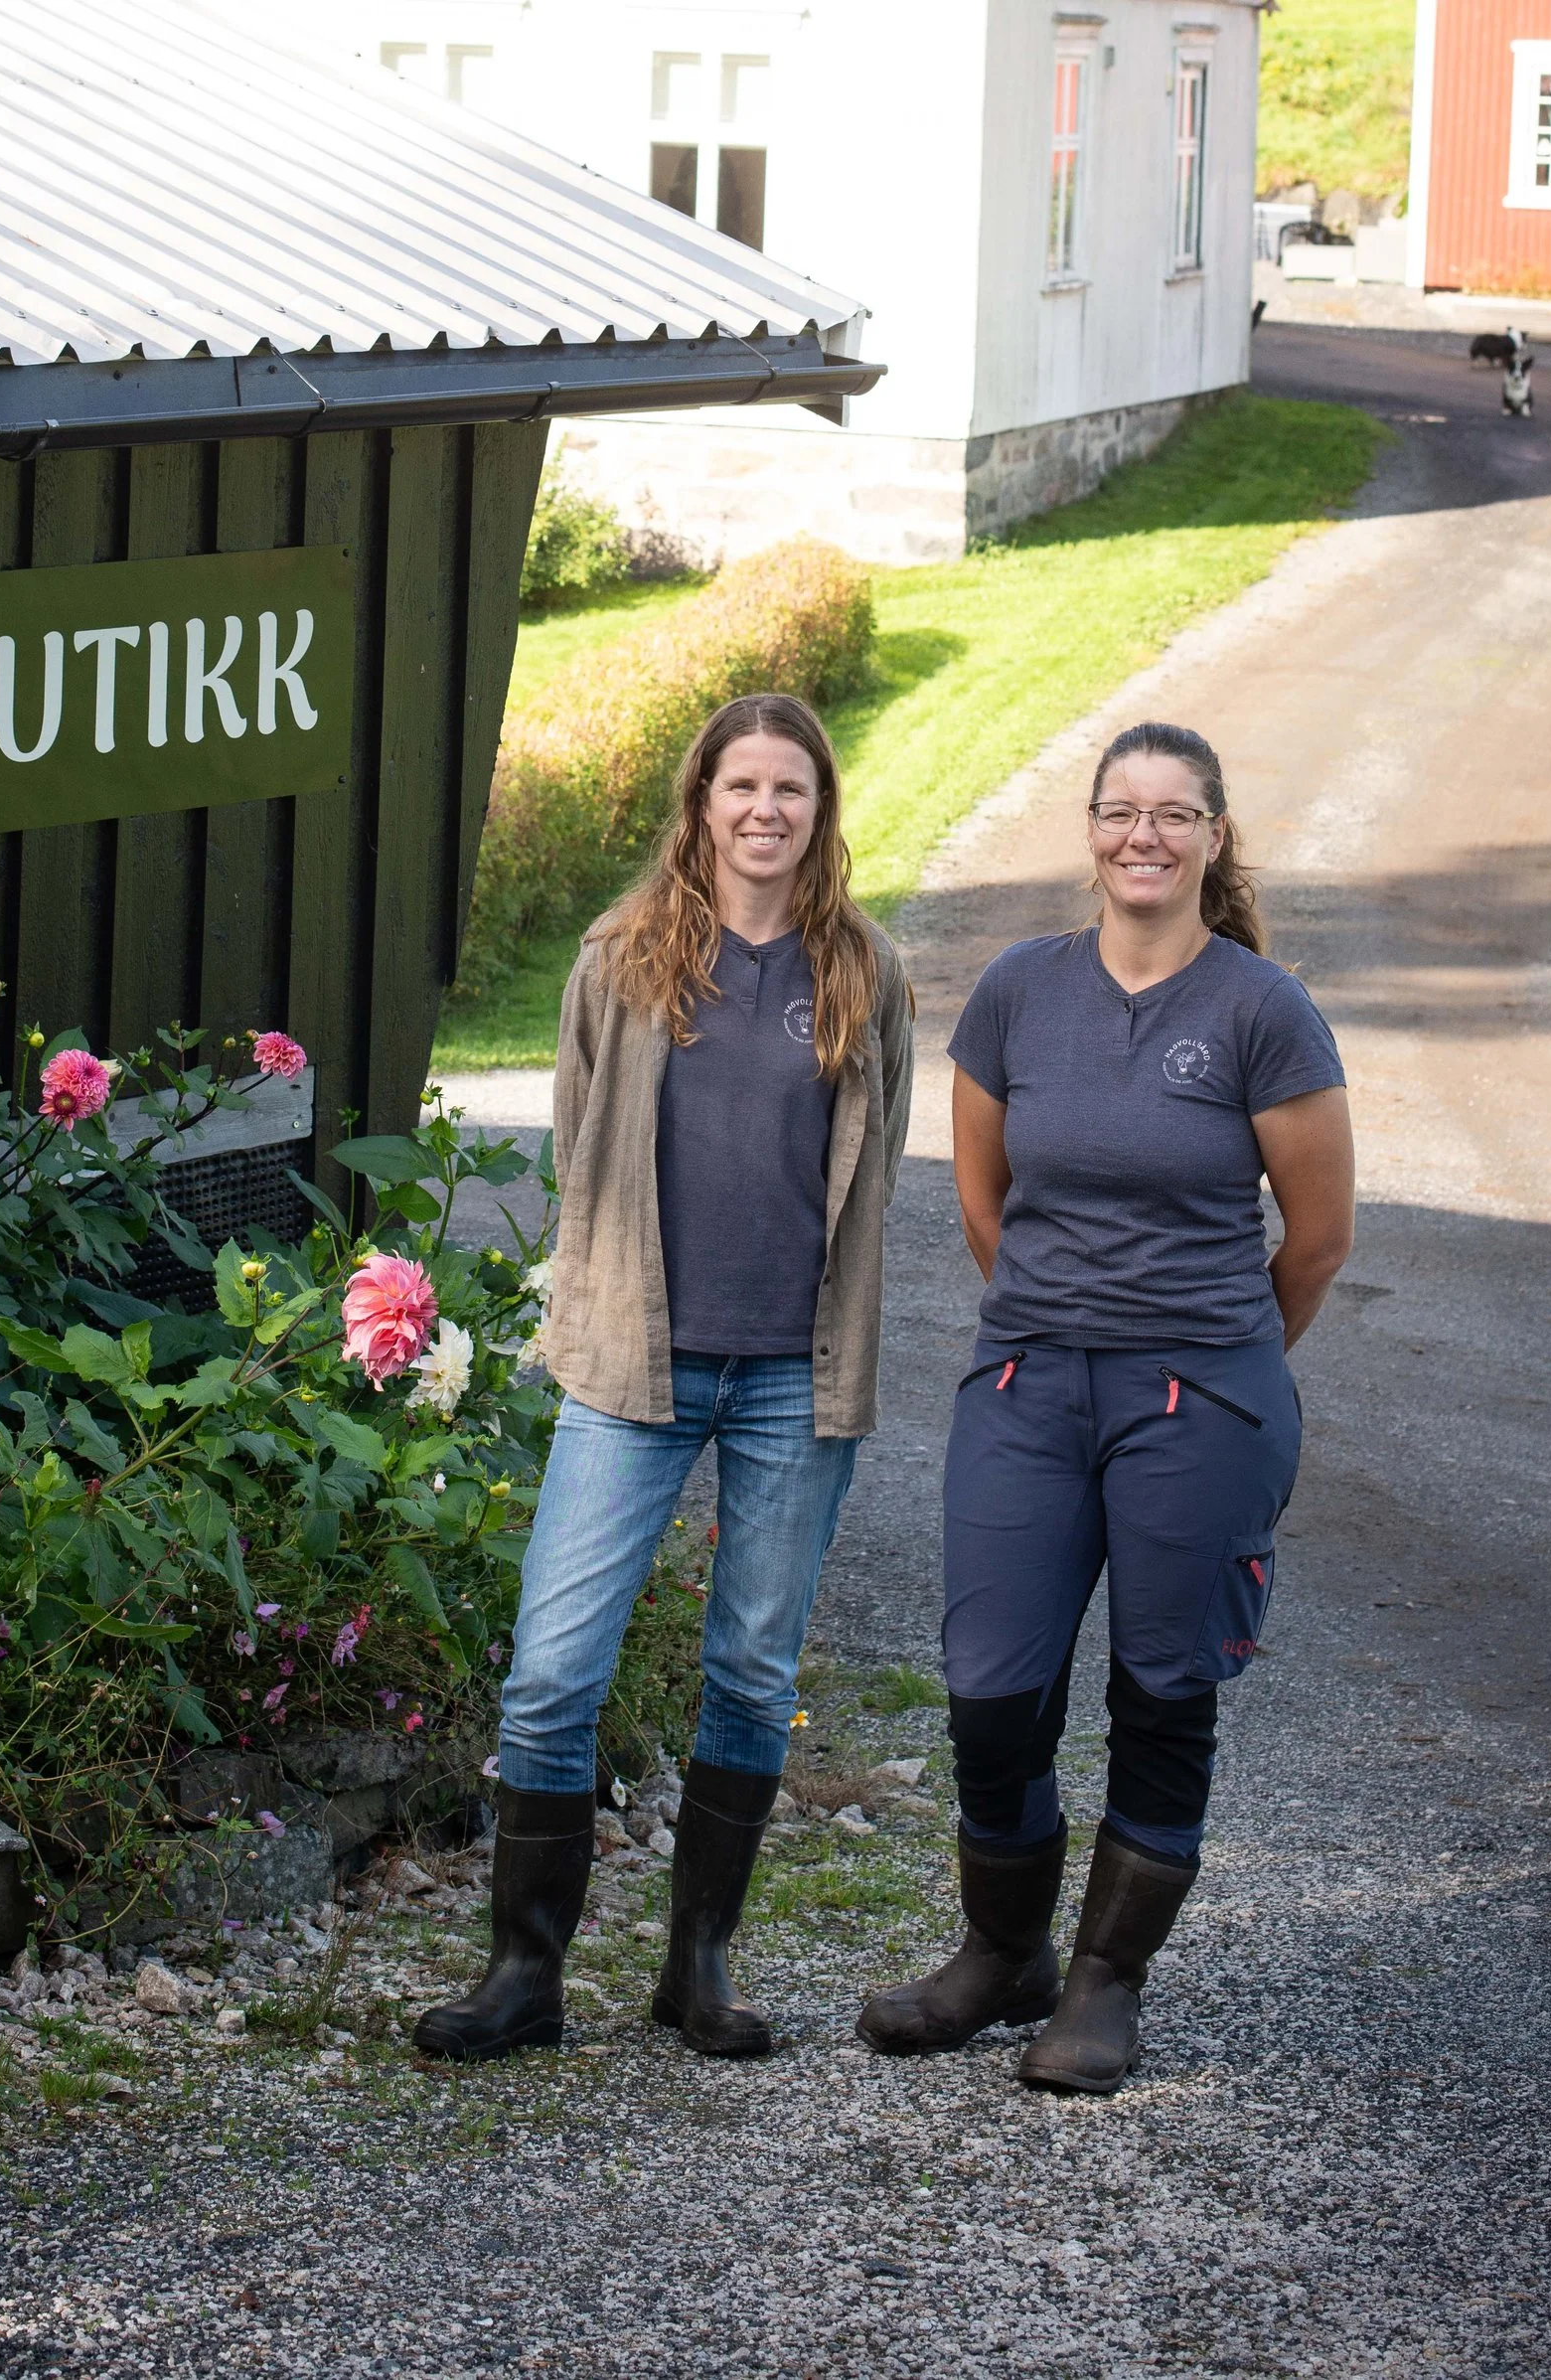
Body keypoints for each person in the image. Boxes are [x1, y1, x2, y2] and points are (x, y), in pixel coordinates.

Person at [415, 692, 914, 2064]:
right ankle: (526, 1972)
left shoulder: (867, 972)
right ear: (700, 803)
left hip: (790, 1381)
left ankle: (696, 1968)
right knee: (552, 1672)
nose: (765, 811)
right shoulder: (620, 961)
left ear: (820, 811)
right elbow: (584, 1150)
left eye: (791, 791)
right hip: (635, 1364)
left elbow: (871, 1181)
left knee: (753, 1672)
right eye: (740, 786)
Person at [856, 720, 1352, 2094]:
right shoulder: (1019, 991)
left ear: (1213, 835)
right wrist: (1060, 1323)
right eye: (1121, 808)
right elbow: (982, 1204)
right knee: (990, 1688)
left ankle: (1103, 1983)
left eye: (1174, 812)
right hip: (1029, 1382)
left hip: (1203, 1395)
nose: (1145, 834)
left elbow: (1314, 1241)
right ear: (1090, 828)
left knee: (1162, 1686)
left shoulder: (1264, 1010)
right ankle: (1002, 1952)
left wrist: (1216, 1353)